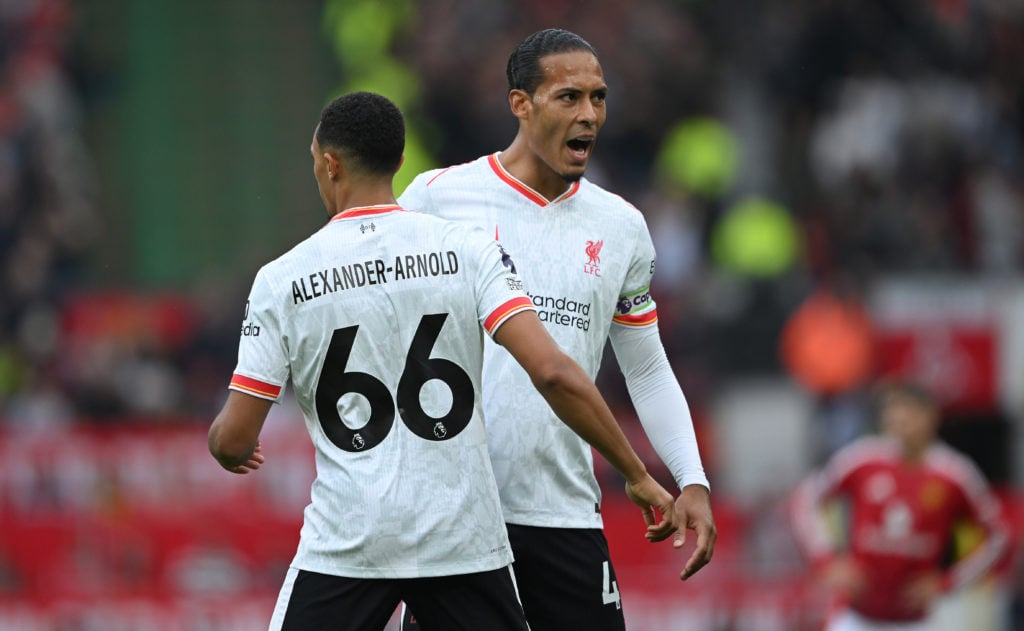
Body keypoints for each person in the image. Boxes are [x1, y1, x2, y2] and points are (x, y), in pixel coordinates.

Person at [207, 91, 679, 631]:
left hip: (351, 539)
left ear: (330, 162)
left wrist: (226, 445)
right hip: (462, 538)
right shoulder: (468, 249)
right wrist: (636, 473)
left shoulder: (283, 279)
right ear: (400, 162)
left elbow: (235, 438)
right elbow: (552, 371)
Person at [398, 28, 716, 630]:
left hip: (565, 514)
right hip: (461, 519)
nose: (589, 115)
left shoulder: (620, 227)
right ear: (521, 104)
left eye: (598, 98)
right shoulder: (437, 201)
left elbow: (646, 368)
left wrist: (692, 478)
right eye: (569, 97)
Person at [790, 380, 1010, 631]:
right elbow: (806, 499)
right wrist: (826, 560)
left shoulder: (955, 474)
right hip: (855, 617)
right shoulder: (863, 459)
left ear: (930, 416)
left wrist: (947, 582)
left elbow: (998, 537)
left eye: (907, 411)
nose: (898, 419)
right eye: (892, 411)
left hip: (914, 621)